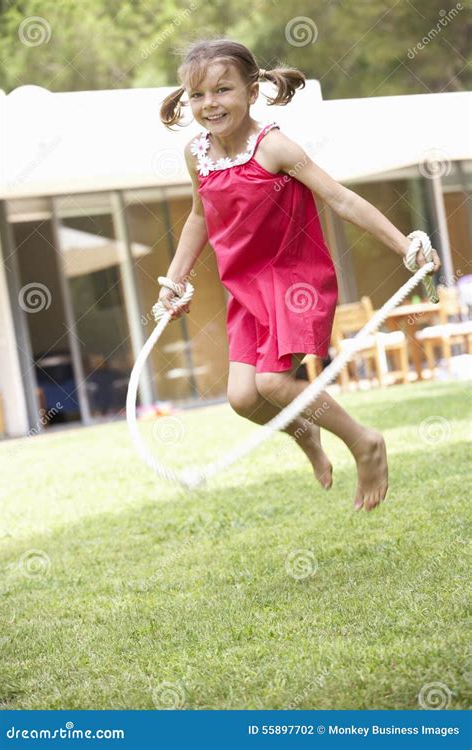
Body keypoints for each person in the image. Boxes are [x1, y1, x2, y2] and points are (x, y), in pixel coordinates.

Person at [157, 38, 441, 512]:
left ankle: (364, 442)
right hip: (244, 288)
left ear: (252, 91)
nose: (210, 104)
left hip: (294, 280)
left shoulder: (275, 147)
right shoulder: (197, 155)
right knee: (243, 399)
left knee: (271, 384)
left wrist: (403, 244)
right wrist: (174, 279)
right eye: (198, 95)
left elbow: (341, 199)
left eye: (223, 90)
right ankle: (306, 432)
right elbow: (198, 217)